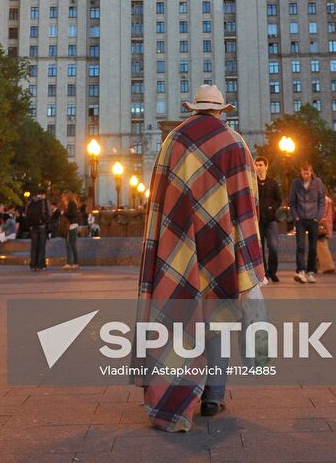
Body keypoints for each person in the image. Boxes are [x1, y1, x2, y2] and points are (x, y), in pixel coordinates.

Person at [138, 83, 264, 432]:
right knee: (219, 314)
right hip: (221, 243)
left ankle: (176, 396)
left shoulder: (173, 141)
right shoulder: (235, 142)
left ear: (192, 108)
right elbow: (246, 201)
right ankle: (213, 395)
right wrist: (250, 253)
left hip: (179, 244)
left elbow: (159, 199)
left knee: (178, 317)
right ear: (221, 110)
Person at [289, 162, 325, 284]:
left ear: (311, 172)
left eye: (307, 173)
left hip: (313, 218)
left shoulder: (318, 183)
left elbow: (322, 201)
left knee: (313, 247)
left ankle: (311, 271)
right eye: (303, 173)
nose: (305, 176)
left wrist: (318, 217)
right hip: (300, 219)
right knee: (300, 246)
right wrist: (296, 217)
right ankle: (301, 270)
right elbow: (292, 202)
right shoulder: (296, 183)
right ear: (301, 172)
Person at [254, 156, 281, 282]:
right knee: (260, 248)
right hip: (258, 220)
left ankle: (273, 271)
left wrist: (272, 208)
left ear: (266, 166)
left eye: (261, 165)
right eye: (257, 165)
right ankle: (264, 273)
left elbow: (278, 199)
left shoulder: (272, 183)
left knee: (273, 246)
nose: (259, 167)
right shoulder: (253, 183)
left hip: (271, 220)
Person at [26, 187, 51, 271]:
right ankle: (40, 265)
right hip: (42, 226)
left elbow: (27, 214)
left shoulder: (31, 201)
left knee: (34, 246)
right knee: (41, 246)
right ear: (44, 194)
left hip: (33, 227)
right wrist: (46, 221)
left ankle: (33, 265)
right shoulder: (44, 201)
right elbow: (49, 214)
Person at [60, 191, 80, 269]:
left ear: (67, 196)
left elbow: (73, 214)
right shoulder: (70, 203)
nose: (62, 198)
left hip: (72, 226)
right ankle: (74, 262)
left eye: (63, 196)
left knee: (70, 245)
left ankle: (71, 263)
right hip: (71, 226)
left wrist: (64, 213)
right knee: (71, 245)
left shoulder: (71, 203)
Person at [317, 194, 336, 274]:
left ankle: (328, 266)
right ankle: (314, 266)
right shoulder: (327, 199)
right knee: (318, 246)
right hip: (325, 225)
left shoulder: (322, 199)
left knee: (321, 245)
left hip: (320, 224)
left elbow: (321, 214)